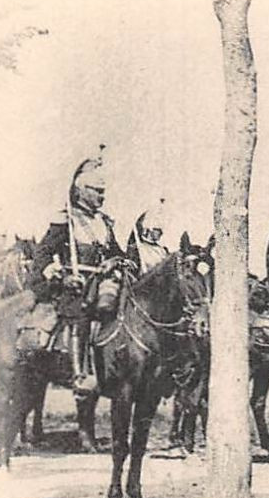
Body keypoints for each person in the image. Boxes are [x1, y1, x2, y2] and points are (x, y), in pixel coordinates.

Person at [29, 147, 125, 392]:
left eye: (104, 192)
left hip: (102, 284)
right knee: (80, 314)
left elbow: (118, 254)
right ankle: (79, 373)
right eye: (97, 191)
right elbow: (42, 254)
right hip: (75, 286)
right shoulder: (66, 219)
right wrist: (61, 275)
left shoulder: (103, 221)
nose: (102, 197)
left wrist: (113, 262)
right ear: (82, 190)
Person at [126, 200, 171, 275]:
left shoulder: (162, 251)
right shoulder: (138, 247)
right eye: (158, 230)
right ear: (150, 229)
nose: (161, 233)